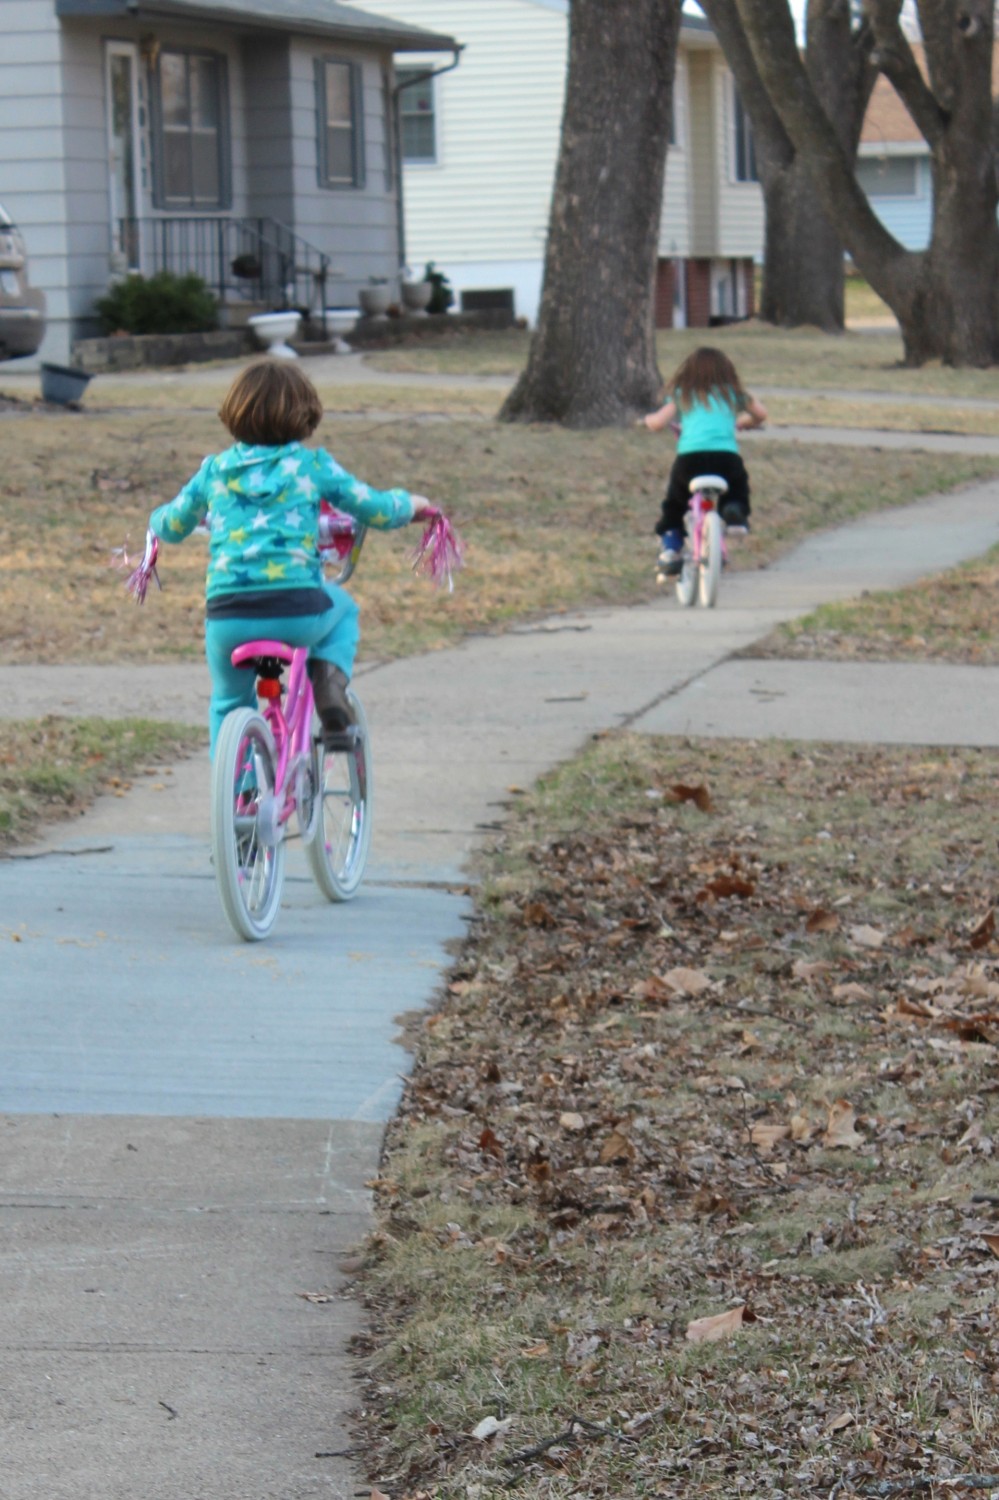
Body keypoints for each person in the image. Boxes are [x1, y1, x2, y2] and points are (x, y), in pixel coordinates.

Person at [148, 358, 433, 754]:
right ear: (306, 414)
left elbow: (172, 525)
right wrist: (411, 504)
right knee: (344, 609)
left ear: (233, 413)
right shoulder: (312, 466)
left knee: (228, 703)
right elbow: (376, 508)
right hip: (297, 611)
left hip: (229, 617)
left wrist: (156, 520)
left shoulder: (214, 470)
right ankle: (330, 690)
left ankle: (240, 797)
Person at [641, 346, 767, 574]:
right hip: (725, 458)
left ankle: (671, 544)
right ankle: (735, 513)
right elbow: (761, 414)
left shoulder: (683, 394)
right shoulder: (733, 394)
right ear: (727, 372)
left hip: (690, 460)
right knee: (738, 485)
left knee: (675, 502)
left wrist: (648, 420)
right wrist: (746, 422)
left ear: (688, 373)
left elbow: (659, 422)